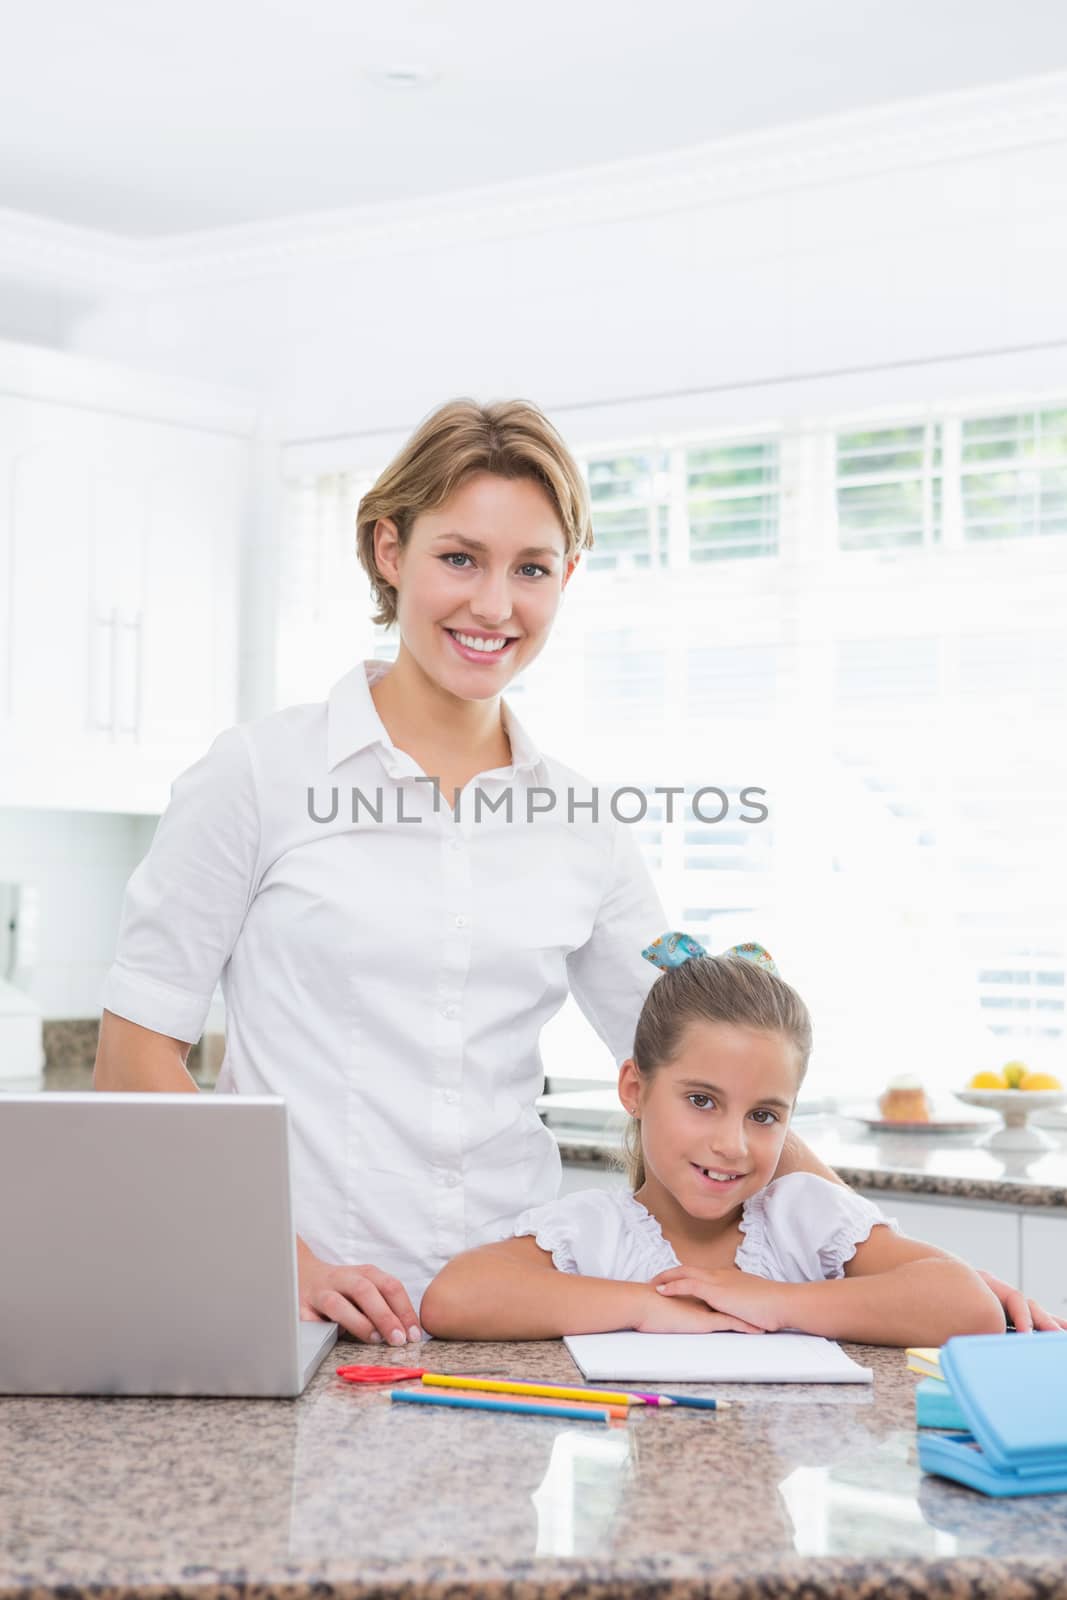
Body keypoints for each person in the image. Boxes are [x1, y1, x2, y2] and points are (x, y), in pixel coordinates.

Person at [94, 398, 1058, 1344]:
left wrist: (905, 1258)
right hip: (304, 1304)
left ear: (568, 577)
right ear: (390, 551)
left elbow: (711, 1059)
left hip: (518, 1317)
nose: (492, 605)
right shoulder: (257, 775)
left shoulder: (585, 827)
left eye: (531, 569)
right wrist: (282, 1262)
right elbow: (133, 1057)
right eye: (458, 558)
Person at [419, 934, 1008, 1346]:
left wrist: (772, 1302)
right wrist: (649, 1307)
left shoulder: (803, 1217)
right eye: (702, 1101)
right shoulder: (595, 1232)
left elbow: (967, 1307)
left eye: (764, 1115)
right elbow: (455, 1297)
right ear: (634, 1088)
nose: (732, 1143)